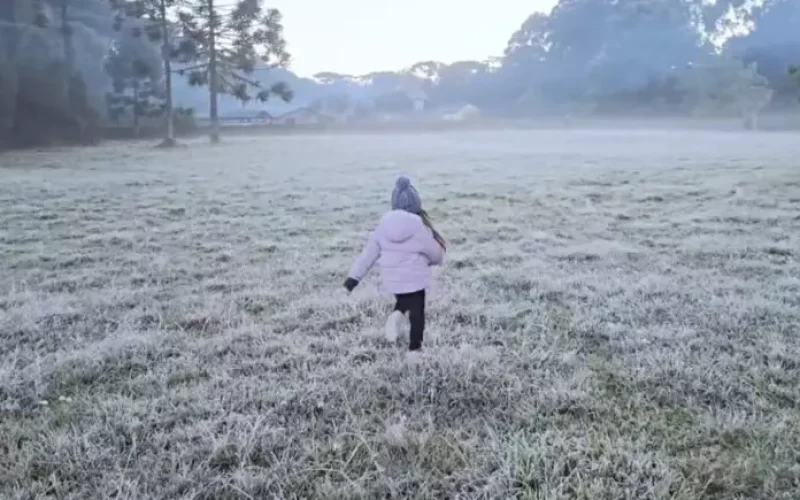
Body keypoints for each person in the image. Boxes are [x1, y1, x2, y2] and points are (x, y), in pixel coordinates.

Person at [344, 176, 447, 352]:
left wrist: (352, 281)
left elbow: (367, 256)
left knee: (404, 300)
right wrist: (434, 259)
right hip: (415, 280)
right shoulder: (419, 228)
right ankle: (414, 351)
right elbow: (436, 253)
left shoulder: (382, 227)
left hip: (393, 280)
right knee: (417, 313)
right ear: (416, 206)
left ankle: (396, 315)